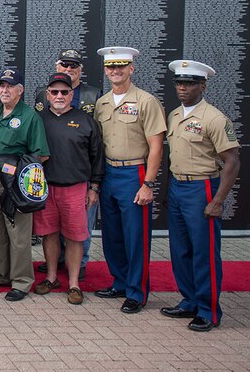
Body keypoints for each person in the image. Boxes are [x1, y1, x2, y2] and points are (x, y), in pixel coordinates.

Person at [161, 60, 240, 332]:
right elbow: (174, 156)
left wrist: (218, 201)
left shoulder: (214, 118)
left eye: (190, 83)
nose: (183, 88)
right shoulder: (174, 115)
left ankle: (209, 310)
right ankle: (190, 299)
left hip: (201, 188)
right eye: (179, 83)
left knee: (204, 252)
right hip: (178, 188)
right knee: (180, 249)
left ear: (203, 86)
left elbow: (232, 161)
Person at [93, 46, 166, 314]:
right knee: (112, 234)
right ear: (105, 70)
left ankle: (137, 291)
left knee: (136, 236)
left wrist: (148, 183)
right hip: (109, 173)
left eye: (121, 66)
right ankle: (120, 282)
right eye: (111, 67)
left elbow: (156, 146)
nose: (116, 71)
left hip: (134, 173)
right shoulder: (102, 103)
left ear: (131, 69)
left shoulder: (146, 101)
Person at [0, 68, 49, 301]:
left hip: (15, 185)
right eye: (1, 86)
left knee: (18, 235)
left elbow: (41, 155)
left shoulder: (29, 117)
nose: (4, 90)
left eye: (10, 86)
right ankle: (1, 275)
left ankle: (21, 281)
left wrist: (17, 174)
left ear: (20, 90)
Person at [34, 73, 103, 305]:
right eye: (54, 92)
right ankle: (52, 277)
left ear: (72, 95)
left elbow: (97, 156)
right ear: (48, 94)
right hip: (46, 187)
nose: (59, 96)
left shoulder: (85, 120)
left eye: (64, 92)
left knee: (75, 237)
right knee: (49, 234)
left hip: (75, 188)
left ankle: (74, 283)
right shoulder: (38, 119)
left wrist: (94, 186)